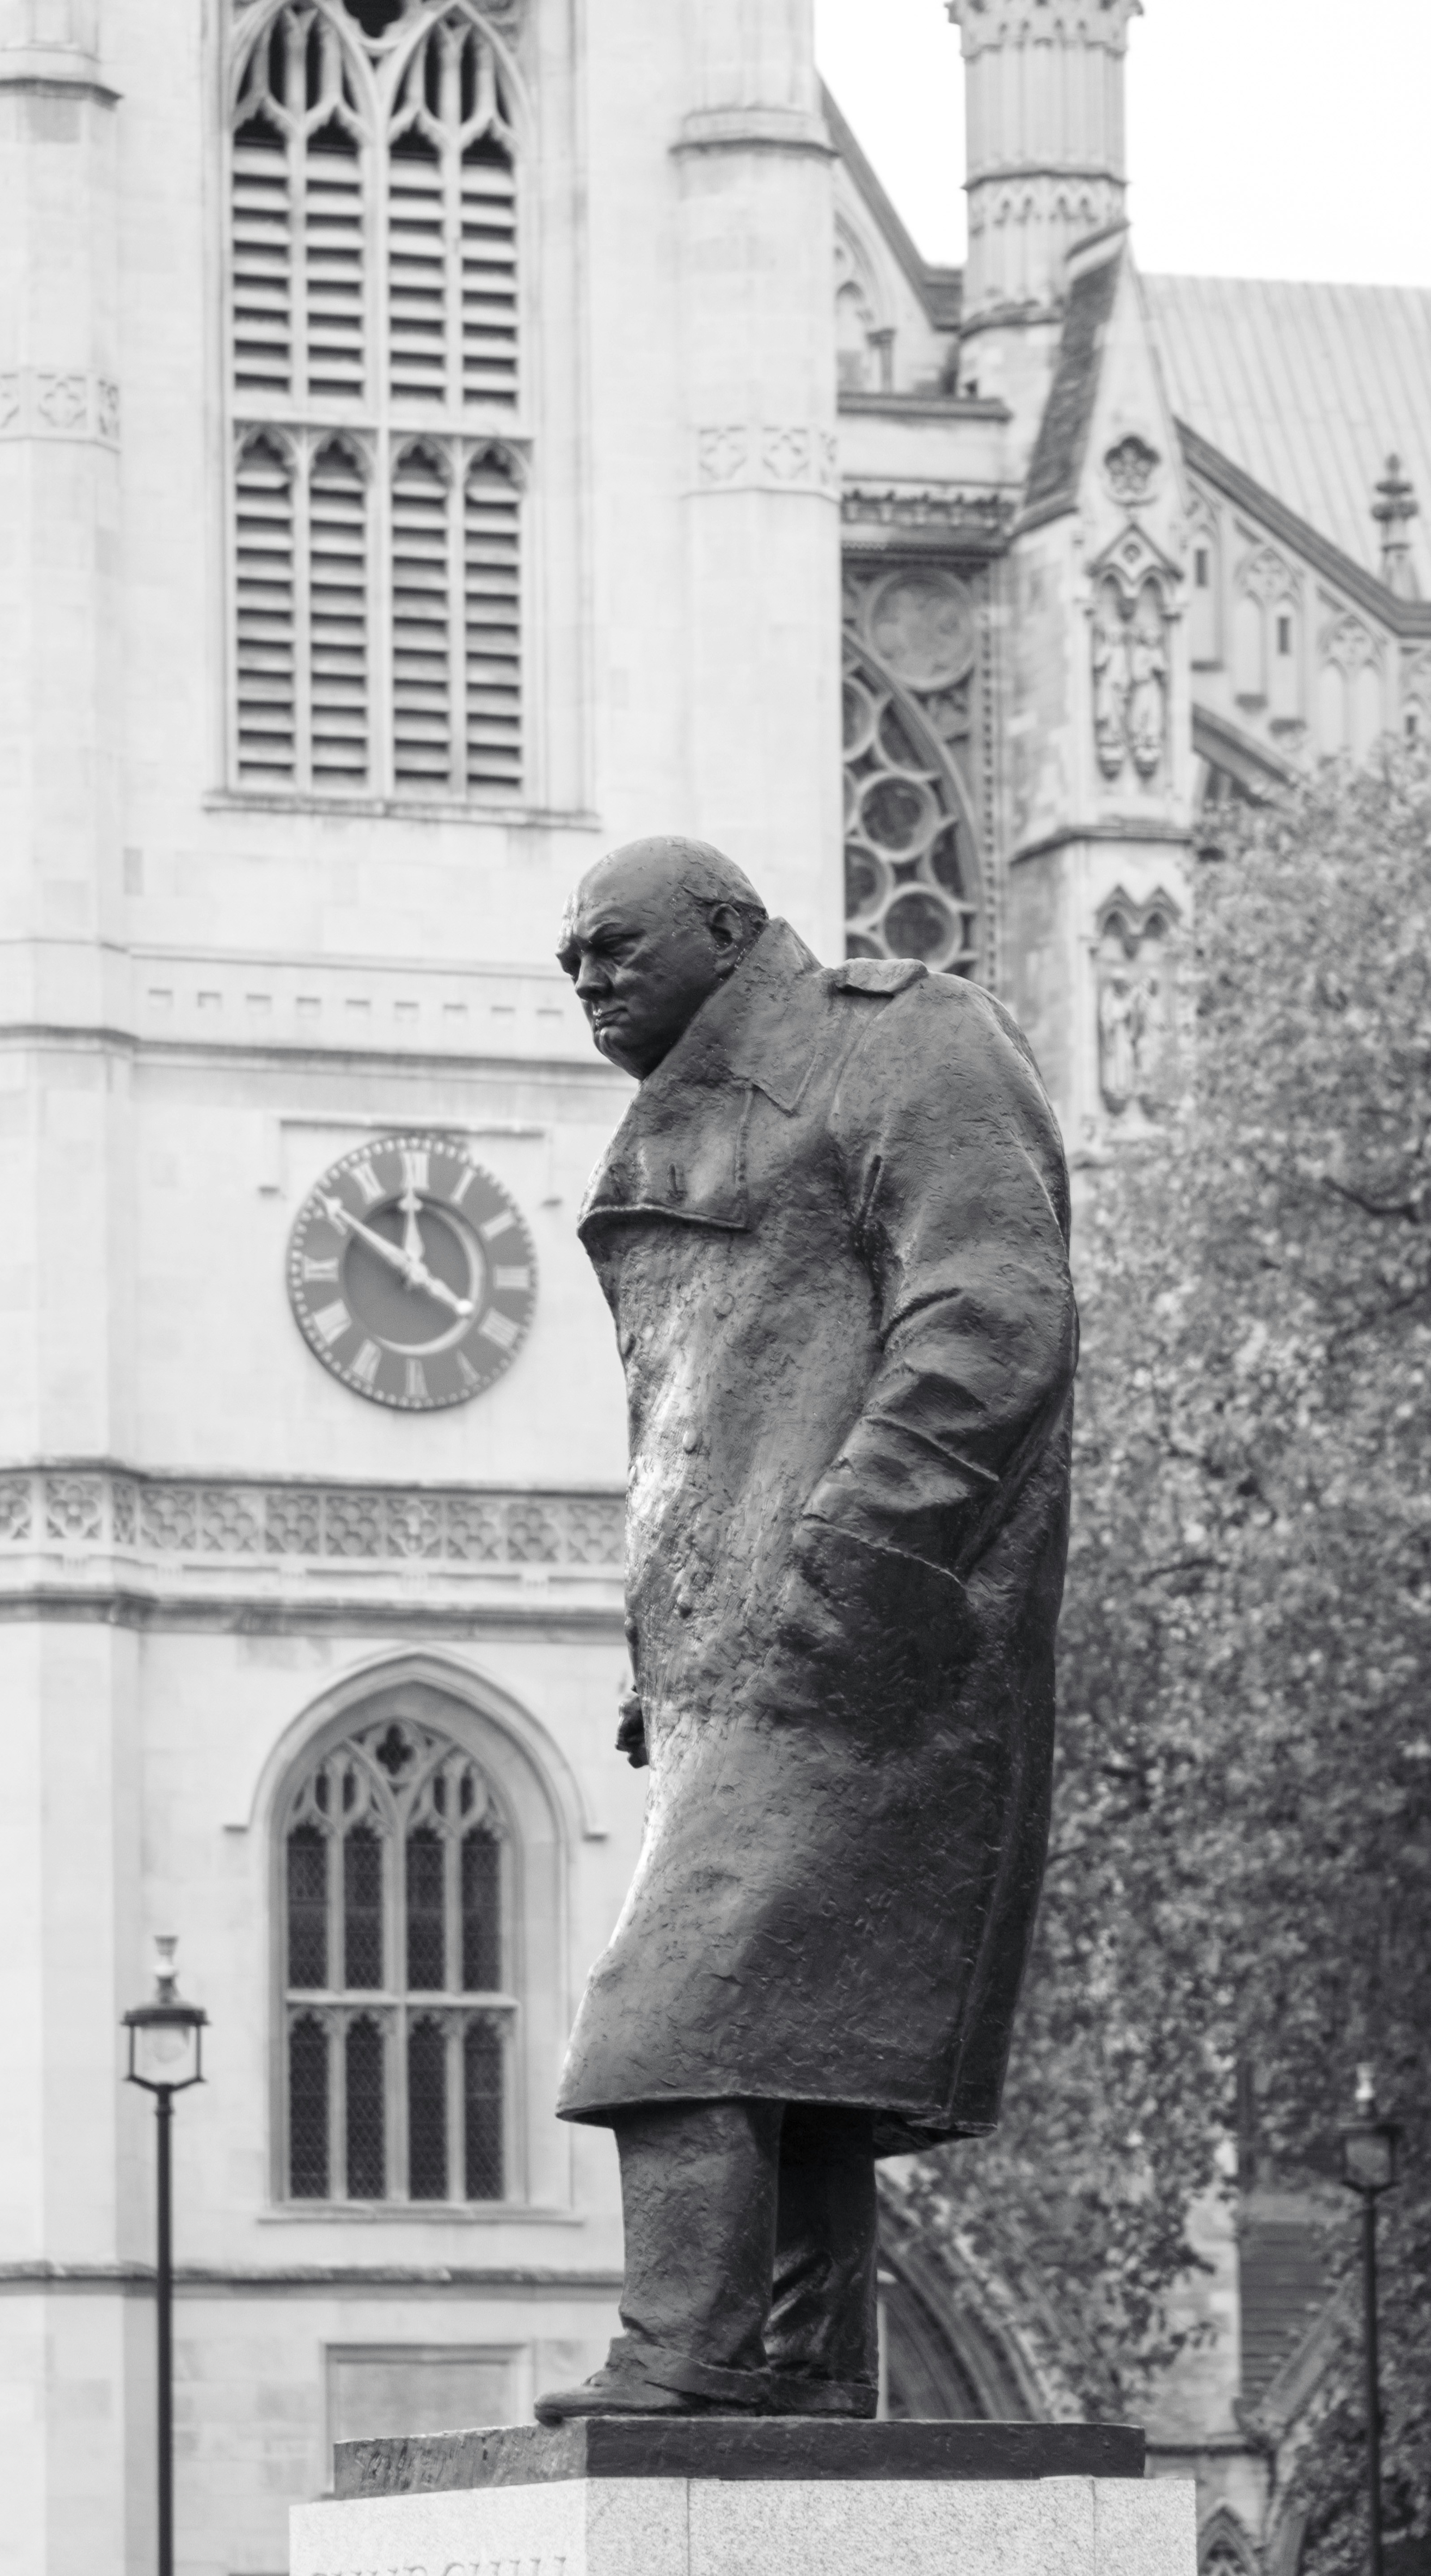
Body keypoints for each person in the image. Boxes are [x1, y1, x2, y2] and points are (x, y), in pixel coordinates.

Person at [536, 835, 1077, 2423]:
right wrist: (670, 1661)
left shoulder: (900, 1037)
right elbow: (706, 1434)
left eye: (612, 946)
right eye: (567, 962)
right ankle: (794, 2368)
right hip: (738, 1659)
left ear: (726, 927)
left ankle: (687, 2359)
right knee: (796, 2029)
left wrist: (857, 1557)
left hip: (872, 1633)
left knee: (680, 2004)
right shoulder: (689, 1114)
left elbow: (991, 1311)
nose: (585, 980)